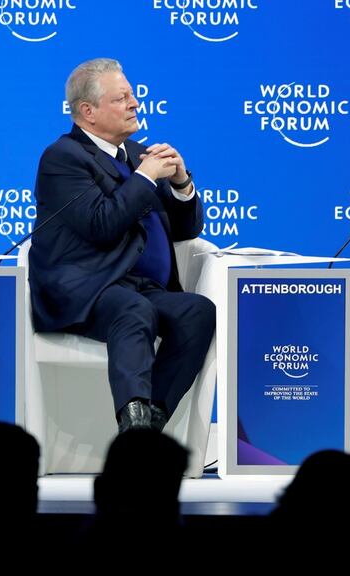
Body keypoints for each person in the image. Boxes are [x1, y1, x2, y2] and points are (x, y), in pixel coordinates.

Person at [29, 58, 215, 433]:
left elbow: (186, 229)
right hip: (87, 288)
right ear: (88, 112)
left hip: (140, 288)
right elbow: (102, 225)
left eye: (132, 95)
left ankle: (150, 423)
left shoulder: (136, 153)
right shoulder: (63, 158)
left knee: (197, 311)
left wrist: (181, 184)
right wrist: (145, 178)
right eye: (122, 98)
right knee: (134, 310)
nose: (135, 104)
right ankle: (132, 427)